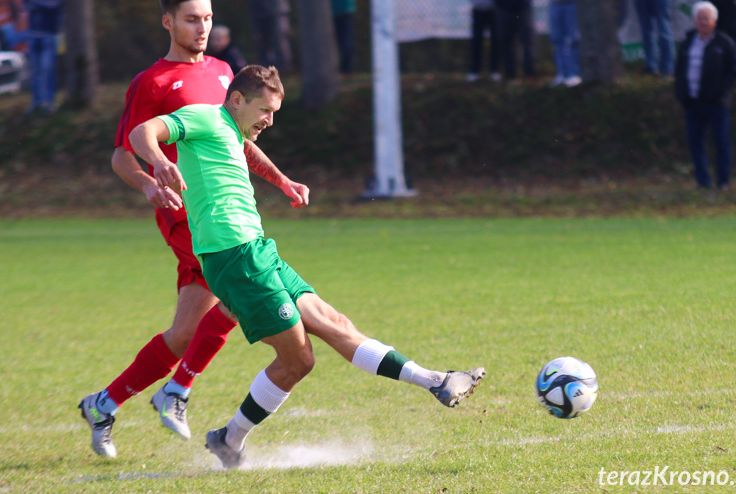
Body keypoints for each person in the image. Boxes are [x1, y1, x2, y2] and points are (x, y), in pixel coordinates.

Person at [128, 65, 486, 470]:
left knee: (337, 324)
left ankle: (435, 380)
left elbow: (251, 155)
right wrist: (158, 162)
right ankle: (230, 438)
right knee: (299, 360)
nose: (269, 120)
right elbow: (141, 133)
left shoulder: (231, 130)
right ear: (237, 100)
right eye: (264, 110)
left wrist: (284, 182)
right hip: (234, 258)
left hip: (258, 251)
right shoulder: (204, 116)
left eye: (275, 113)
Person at [77, 0, 309, 459]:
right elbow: (125, 153)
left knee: (185, 332)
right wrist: (150, 178)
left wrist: (280, 178)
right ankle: (179, 389)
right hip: (186, 217)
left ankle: (105, 402)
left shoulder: (226, 72)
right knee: (243, 289)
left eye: (207, 17)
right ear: (168, 22)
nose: (202, 27)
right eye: (191, 19)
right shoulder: (153, 81)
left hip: (220, 218)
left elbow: (237, 142)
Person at [673, 1, 736, 190]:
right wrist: (681, 93)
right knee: (695, 143)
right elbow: (679, 71)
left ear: (714, 21)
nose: (703, 22)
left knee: (722, 143)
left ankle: (723, 181)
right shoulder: (687, 43)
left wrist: (720, 90)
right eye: (700, 18)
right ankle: (703, 181)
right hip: (693, 103)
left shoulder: (724, 43)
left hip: (717, 103)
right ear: (694, 21)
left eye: (706, 18)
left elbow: (733, 71)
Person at [22, 0, 62, 115]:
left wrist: (37, 1)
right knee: (35, 70)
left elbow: (55, 5)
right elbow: (26, 4)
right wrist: (43, 3)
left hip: (49, 34)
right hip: (33, 33)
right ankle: (36, 101)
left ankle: (49, 101)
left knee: (47, 69)